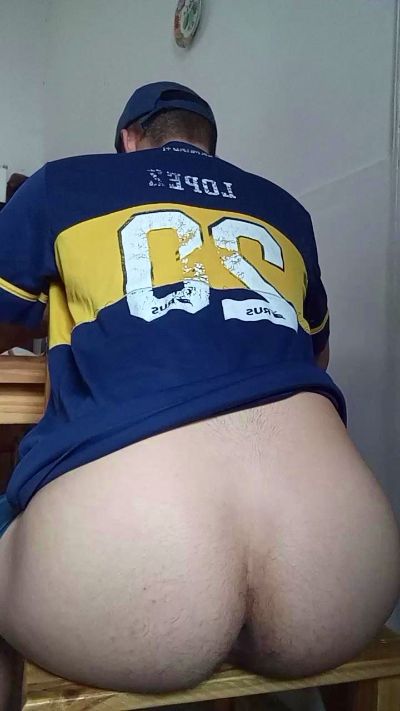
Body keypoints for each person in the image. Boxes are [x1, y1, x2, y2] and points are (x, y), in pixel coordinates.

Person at [0, 81, 399, 710]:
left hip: (116, 574)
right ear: (208, 143)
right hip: (347, 570)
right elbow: (315, 352)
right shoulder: (285, 210)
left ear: (129, 140)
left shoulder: (61, 184)